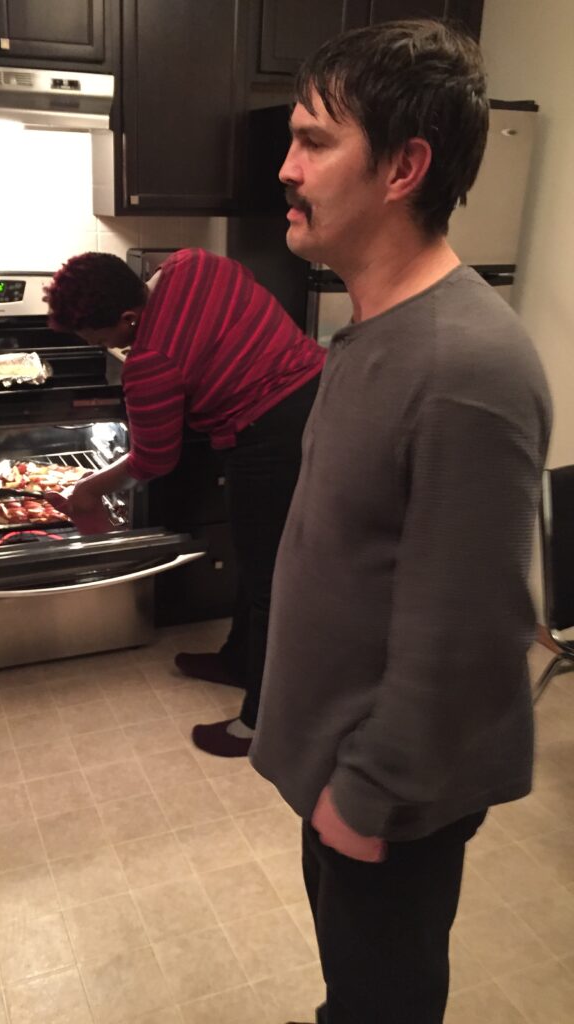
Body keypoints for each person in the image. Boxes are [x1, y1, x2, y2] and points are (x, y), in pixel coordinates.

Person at [248, 19, 551, 1024]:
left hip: (391, 791)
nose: (286, 168)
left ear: (404, 166)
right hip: (342, 765)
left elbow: (469, 633)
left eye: (315, 142)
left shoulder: (468, 368)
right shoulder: (370, 325)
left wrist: (367, 792)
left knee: (387, 999)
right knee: (357, 985)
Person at [44, 248, 324, 756]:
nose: (98, 345)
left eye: (98, 337)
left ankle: (260, 725)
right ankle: (238, 662)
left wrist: (87, 490)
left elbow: (153, 460)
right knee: (257, 557)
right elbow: (237, 289)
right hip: (319, 396)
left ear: (129, 317)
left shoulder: (150, 361)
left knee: (270, 582)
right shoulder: (192, 264)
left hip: (270, 436)